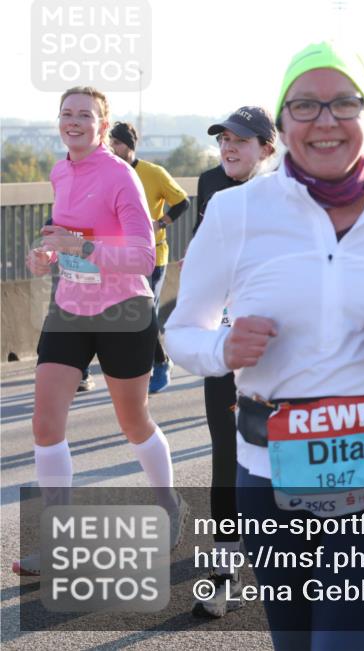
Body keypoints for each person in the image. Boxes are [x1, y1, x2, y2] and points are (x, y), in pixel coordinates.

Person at [166, 41, 364, 649]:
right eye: (305, 105)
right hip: (271, 479)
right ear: (282, 123)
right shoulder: (234, 211)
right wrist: (224, 349)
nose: (326, 120)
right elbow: (180, 332)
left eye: (344, 104)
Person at [16, 86, 184, 576]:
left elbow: (143, 257)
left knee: (133, 421)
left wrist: (82, 248)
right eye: (66, 113)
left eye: (84, 115)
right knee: (45, 423)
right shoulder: (61, 171)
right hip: (71, 307)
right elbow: (65, 236)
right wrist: (47, 254)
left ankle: (169, 504)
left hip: (123, 310)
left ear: (103, 126)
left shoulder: (120, 176)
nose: (73, 121)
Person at [188, 105, 278, 619]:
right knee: (227, 452)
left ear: (267, 148)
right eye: (223, 139)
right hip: (225, 342)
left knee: (281, 453)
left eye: (240, 141)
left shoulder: (289, 193)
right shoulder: (210, 185)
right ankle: (224, 570)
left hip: (280, 349)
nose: (228, 147)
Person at [108, 122, 191, 394]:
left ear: (130, 145)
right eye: (111, 142)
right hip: (122, 255)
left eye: (118, 143)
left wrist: (161, 222)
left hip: (153, 254)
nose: (113, 148)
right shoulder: (110, 173)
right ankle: (136, 364)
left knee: (145, 312)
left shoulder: (154, 173)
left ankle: (161, 363)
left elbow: (182, 202)